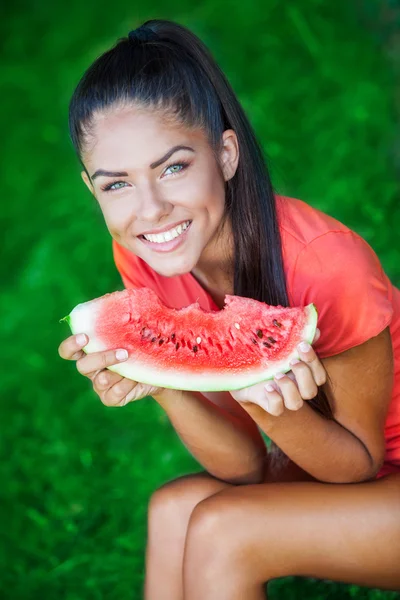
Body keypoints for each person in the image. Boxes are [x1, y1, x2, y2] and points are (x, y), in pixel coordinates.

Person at [58, 19, 400, 599]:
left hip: (365, 466)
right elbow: (242, 466)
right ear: (92, 188)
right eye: (117, 185)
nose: (152, 211)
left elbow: (359, 464)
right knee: (173, 510)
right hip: (320, 469)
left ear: (225, 152)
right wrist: (158, 380)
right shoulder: (143, 255)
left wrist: (272, 410)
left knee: (223, 530)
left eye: (173, 167)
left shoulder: (326, 265)